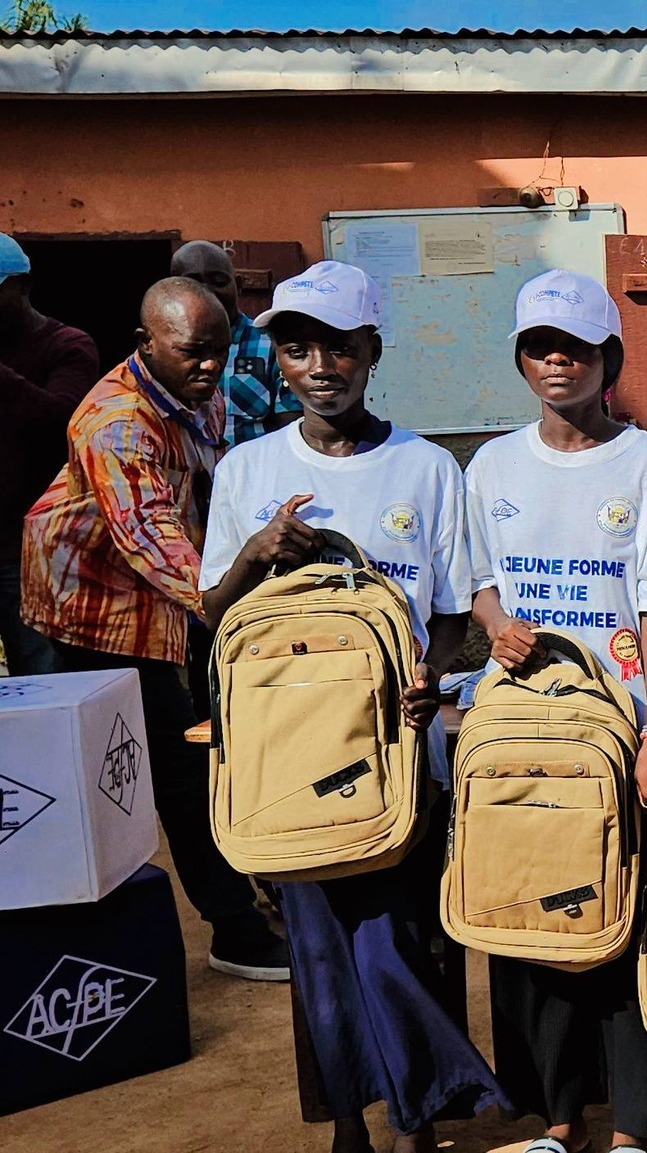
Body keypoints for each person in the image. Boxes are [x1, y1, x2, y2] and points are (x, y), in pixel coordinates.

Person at [199, 260, 508, 1153]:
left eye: (339, 346)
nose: (319, 365)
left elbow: (450, 614)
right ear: (282, 362)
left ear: (373, 351)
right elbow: (213, 613)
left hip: (400, 750)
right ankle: (348, 1120)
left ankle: (417, 1121)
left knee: (406, 936)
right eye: (298, 349)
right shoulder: (249, 468)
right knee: (320, 953)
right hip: (287, 756)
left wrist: (430, 674)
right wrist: (257, 552)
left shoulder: (424, 467)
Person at [463, 267, 647, 1153]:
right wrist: (497, 627)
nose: (558, 363)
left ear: (610, 359)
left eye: (576, 348)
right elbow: (478, 580)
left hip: (622, 724)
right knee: (532, 912)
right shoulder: (492, 465)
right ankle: (558, 1117)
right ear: (521, 360)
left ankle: (635, 1124)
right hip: (523, 730)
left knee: (629, 914)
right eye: (539, 347)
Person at [20, 276, 289, 981]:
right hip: (85, 610)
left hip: (163, 598)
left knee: (194, 754)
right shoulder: (116, 425)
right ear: (147, 344)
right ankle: (230, 928)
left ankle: (251, 903)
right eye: (194, 353)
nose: (211, 367)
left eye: (220, 353)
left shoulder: (197, 392)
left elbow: (212, 488)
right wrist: (252, 562)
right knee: (140, 770)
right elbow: (161, 551)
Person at [0, 231, 98, 677]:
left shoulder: (69, 346)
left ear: (19, 286)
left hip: (30, 549)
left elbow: (62, 421)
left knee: (41, 672)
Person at [171, 240, 295, 448]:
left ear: (238, 286)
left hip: (255, 476)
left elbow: (291, 427)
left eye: (219, 282)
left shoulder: (271, 345)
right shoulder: (165, 352)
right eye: (193, 284)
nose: (207, 292)